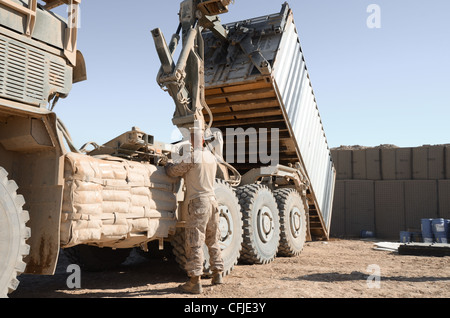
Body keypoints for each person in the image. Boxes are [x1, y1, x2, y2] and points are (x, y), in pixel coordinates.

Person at [165, 127, 224, 294]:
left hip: (198, 203)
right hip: (213, 202)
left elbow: (173, 172)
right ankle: (217, 273)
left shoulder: (192, 156)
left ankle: (194, 281)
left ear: (192, 140)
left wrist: (167, 164)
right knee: (213, 240)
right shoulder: (211, 157)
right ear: (204, 140)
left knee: (195, 242)